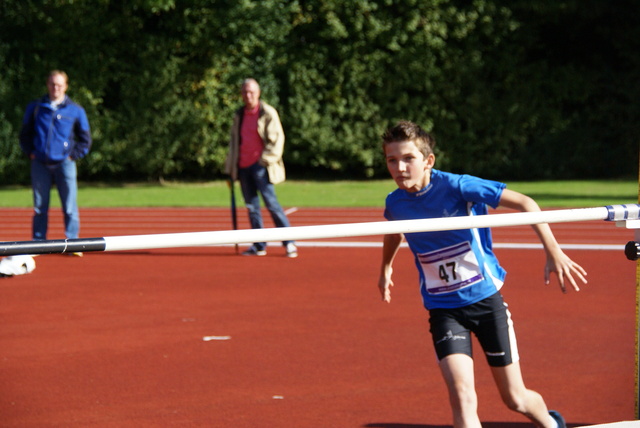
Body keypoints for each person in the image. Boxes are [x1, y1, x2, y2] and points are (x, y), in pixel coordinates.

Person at [377, 121, 586, 428]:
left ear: (428, 161)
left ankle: (551, 423)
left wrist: (552, 249)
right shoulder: (395, 202)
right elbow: (392, 232)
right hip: (443, 310)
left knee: (514, 398)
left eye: (408, 158)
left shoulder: (458, 186)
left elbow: (526, 203)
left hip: (485, 302)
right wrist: (385, 266)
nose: (400, 167)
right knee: (462, 395)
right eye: (392, 160)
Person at [19, 70, 92, 256]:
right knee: (40, 206)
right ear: (47, 85)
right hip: (40, 163)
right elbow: (25, 133)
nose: (55, 88)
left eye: (59, 84)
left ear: (65, 86)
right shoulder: (36, 107)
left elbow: (85, 139)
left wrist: (72, 156)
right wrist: (31, 153)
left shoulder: (76, 110)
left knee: (69, 205)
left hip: (64, 163)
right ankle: (38, 242)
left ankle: (73, 243)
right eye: (52, 84)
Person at [224, 78, 297, 258]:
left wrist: (264, 160)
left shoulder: (267, 112)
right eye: (245, 92)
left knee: (272, 205)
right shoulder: (238, 115)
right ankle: (259, 245)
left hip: (261, 167)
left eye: (251, 92)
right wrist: (231, 168)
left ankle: (289, 242)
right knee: (252, 208)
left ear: (258, 93)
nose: (248, 96)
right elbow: (234, 143)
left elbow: (277, 140)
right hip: (243, 167)